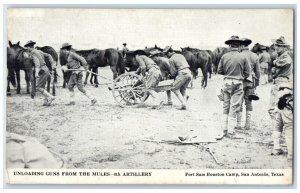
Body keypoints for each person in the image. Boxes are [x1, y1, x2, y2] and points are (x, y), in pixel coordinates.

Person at [217, 36, 251, 138]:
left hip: (226, 83)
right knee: (234, 106)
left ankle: (224, 129)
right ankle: (231, 132)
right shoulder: (243, 57)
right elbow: (248, 72)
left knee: (226, 106)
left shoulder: (224, 56)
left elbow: (219, 71)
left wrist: (228, 73)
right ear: (239, 45)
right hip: (238, 82)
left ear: (229, 45)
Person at [268, 36, 293, 158]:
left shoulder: (285, 57)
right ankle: (278, 142)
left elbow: (283, 63)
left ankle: (279, 142)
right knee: (276, 112)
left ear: (283, 47)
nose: (275, 47)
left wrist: (274, 63)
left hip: (281, 85)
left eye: (277, 46)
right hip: (279, 84)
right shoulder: (281, 56)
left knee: (277, 112)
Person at [237, 38, 260, 130]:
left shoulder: (239, 55)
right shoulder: (254, 56)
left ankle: (238, 124)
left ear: (242, 45)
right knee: (249, 102)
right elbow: (258, 72)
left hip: (240, 81)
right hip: (250, 82)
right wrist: (256, 84)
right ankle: (248, 124)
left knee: (239, 102)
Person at [25, 40, 56, 106]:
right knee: (42, 86)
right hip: (46, 69)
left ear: (29, 47)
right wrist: (53, 64)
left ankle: (51, 97)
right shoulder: (39, 51)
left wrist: (36, 73)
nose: (27, 49)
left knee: (38, 87)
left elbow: (37, 64)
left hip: (42, 70)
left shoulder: (33, 52)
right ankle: (45, 101)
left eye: (27, 47)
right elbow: (49, 55)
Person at [163, 46, 192, 110]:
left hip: (182, 73)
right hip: (189, 73)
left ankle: (183, 104)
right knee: (183, 89)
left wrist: (170, 76)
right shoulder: (180, 55)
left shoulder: (171, 59)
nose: (167, 56)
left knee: (174, 88)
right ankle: (184, 103)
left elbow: (173, 73)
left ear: (169, 52)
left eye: (166, 54)